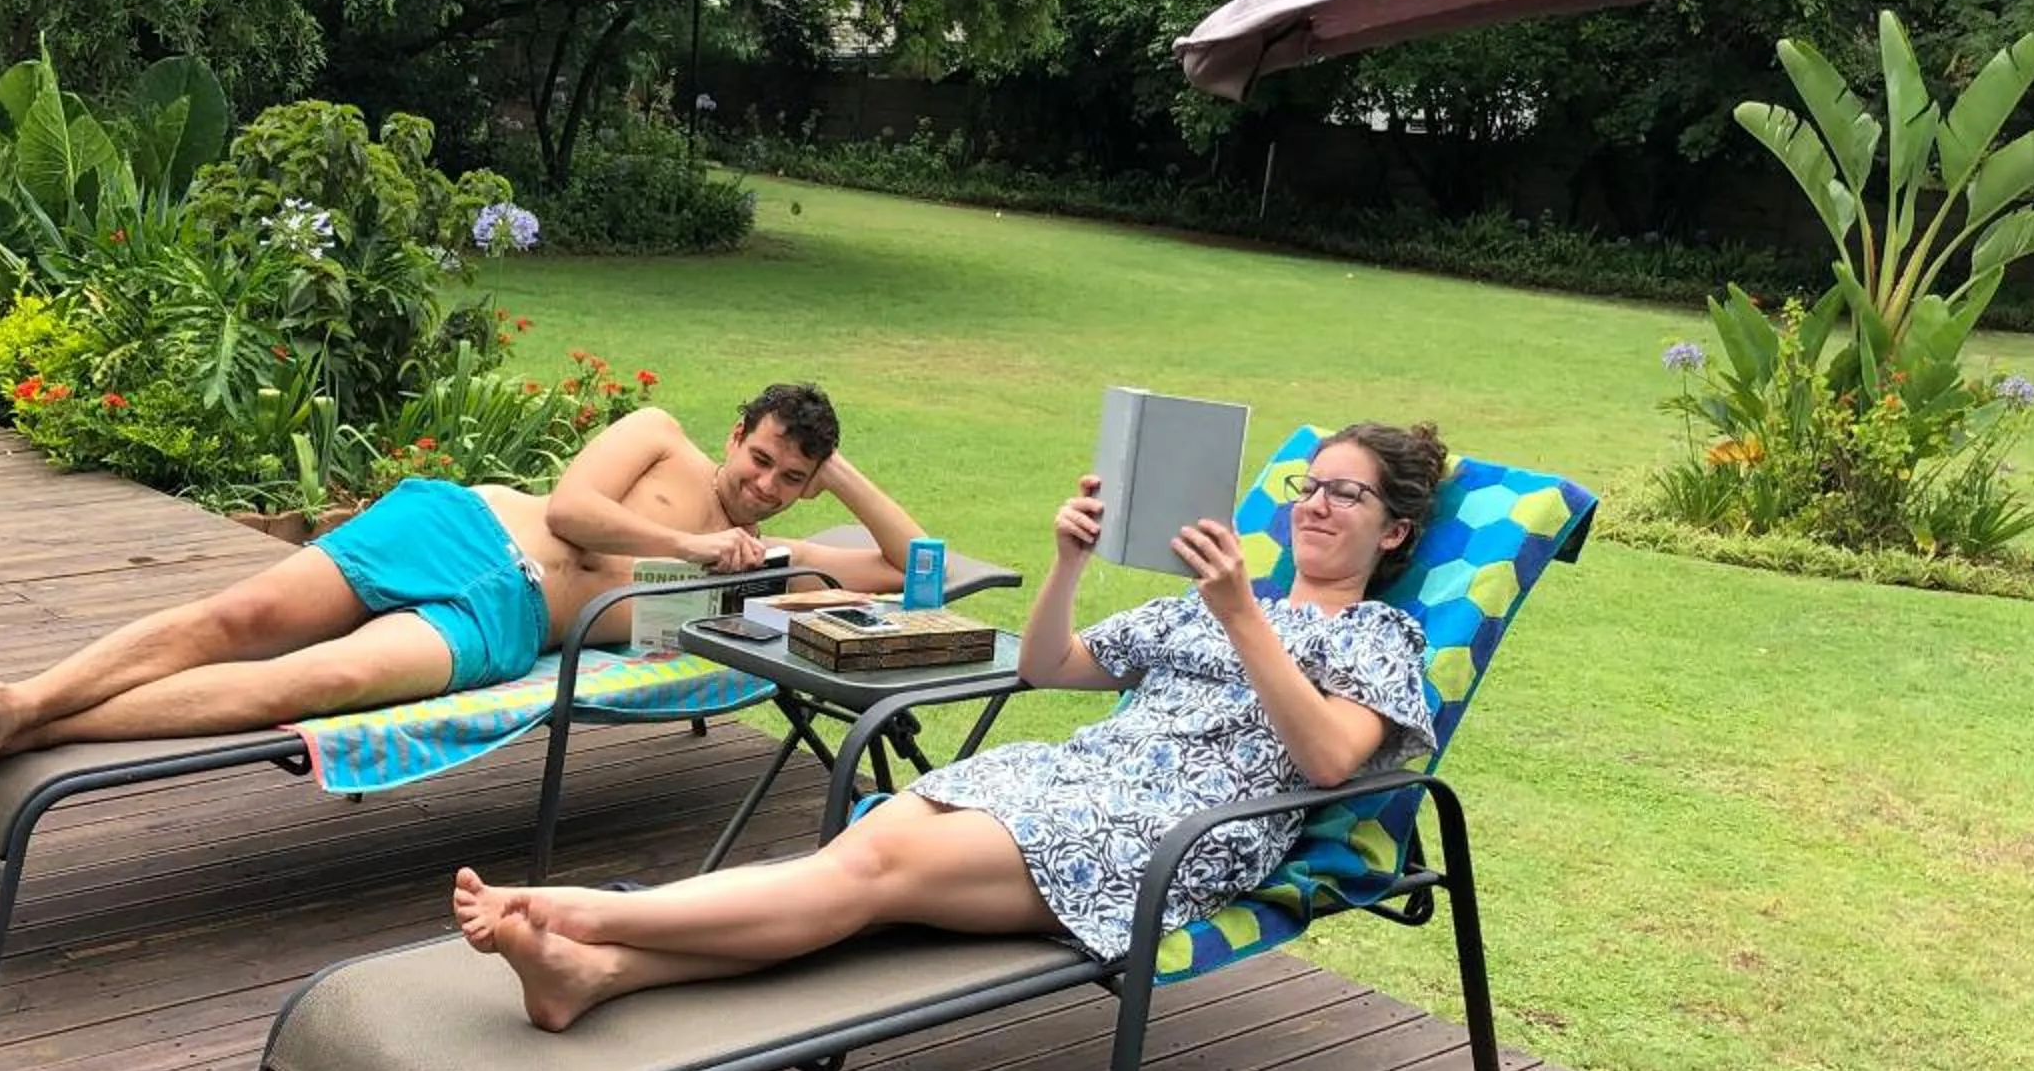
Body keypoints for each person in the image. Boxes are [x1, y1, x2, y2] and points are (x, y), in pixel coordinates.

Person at [454, 422, 1448, 1032]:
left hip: (1160, 835)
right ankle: (594, 975)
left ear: (1394, 530)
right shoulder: (1214, 599)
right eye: (1309, 485)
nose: (1316, 504)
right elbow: (1049, 665)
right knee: (861, 863)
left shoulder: (1377, 638)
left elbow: (1329, 760)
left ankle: (586, 915)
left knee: (871, 875)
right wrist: (1067, 561)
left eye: (1345, 493)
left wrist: (1241, 617)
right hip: (1069, 780)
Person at [0, 382, 926, 793]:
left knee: (310, 684)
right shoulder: (659, 436)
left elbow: (914, 570)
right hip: (456, 528)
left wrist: (832, 471)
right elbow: (576, 511)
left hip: (500, 621)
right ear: (735, 434)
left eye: (789, 478)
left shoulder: (769, 564)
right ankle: (26, 699)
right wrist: (695, 547)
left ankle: (19, 727)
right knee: (239, 617)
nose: (765, 484)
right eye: (760, 457)